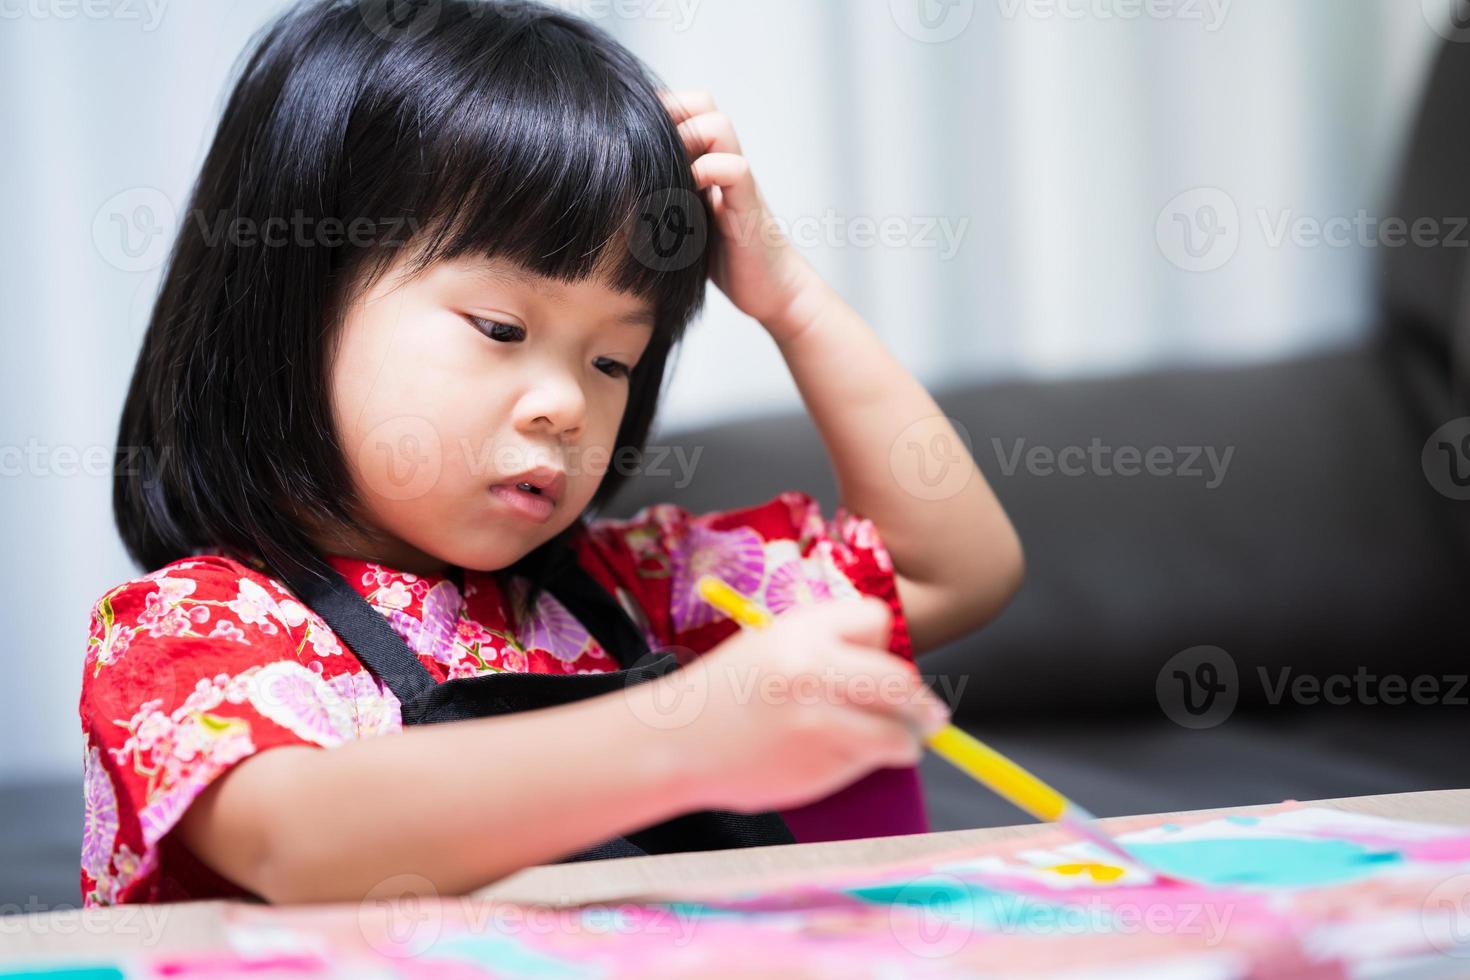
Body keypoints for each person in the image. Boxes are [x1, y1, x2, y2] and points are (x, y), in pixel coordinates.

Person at [80, 0, 1023, 907]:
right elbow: (297, 841)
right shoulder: (189, 628)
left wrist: (796, 303)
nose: (569, 403)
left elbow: (950, 571)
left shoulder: (631, 588)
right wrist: (685, 732)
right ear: (292, 308)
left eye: (613, 358)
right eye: (499, 326)